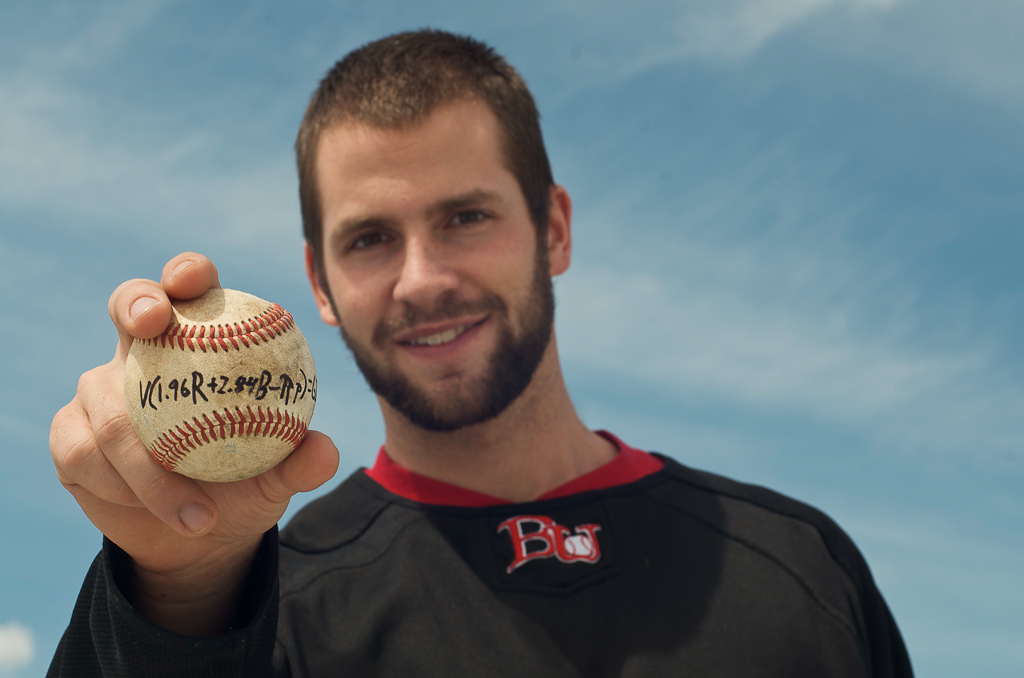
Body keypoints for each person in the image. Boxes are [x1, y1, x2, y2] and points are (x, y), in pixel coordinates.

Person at [48, 29, 913, 677]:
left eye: (466, 217)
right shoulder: (262, 611)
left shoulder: (802, 566)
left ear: (554, 228)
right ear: (319, 282)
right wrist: (175, 588)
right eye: (371, 238)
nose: (421, 280)